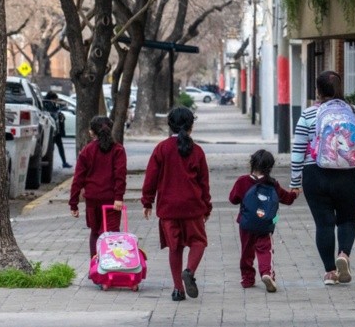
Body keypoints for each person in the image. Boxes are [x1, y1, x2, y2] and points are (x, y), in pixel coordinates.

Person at [290, 71, 355, 286]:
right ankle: (344, 255)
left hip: (315, 175)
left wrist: (295, 182)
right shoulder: (354, 112)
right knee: (347, 221)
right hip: (348, 175)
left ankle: (330, 272)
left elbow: (298, 149)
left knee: (324, 225)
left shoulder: (308, 114)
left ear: (318, 91)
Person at [141, 106, 212, 301]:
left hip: (168, 209)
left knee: (175, 248)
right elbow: (204, 182)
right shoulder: (197, 151)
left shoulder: (161, 149)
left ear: (169, 126)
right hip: (192, 207)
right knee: (198, 242)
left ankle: (178, 289)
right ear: (191, 126)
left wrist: (147, 201)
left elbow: (151, 178)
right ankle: (189, 271)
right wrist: (207, 205)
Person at [229, 149, 298, 292]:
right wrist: (294, 193)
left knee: (246, 251)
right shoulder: (272, 184)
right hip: (266, 224)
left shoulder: (242, 181)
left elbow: (233, 199)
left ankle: (247, 279)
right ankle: (267, 273)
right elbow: (287, 199)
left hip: (246, 224)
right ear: (270, 167)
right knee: (265, 249)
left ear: (252, 163)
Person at [69, 116, 127, 259]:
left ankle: (95, 267)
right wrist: (119, 197)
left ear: (91, 132)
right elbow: (120, 175)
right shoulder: (118, 150)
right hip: (112, 200)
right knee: (110, 233)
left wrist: (73, 203)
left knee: (95, 232)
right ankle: (109, 266)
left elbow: (78, 178)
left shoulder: (87, 151)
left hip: (92, 200)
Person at [45, 91, 72, 168]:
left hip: (55, 130)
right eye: (55, 99)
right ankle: (61, 163)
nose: (56, 101)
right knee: (55, 147)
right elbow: (52, 114)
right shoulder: (48, 105)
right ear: (52, 99)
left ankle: (63, 162)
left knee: (59, 146)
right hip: (53, 130)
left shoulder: (51, 105)